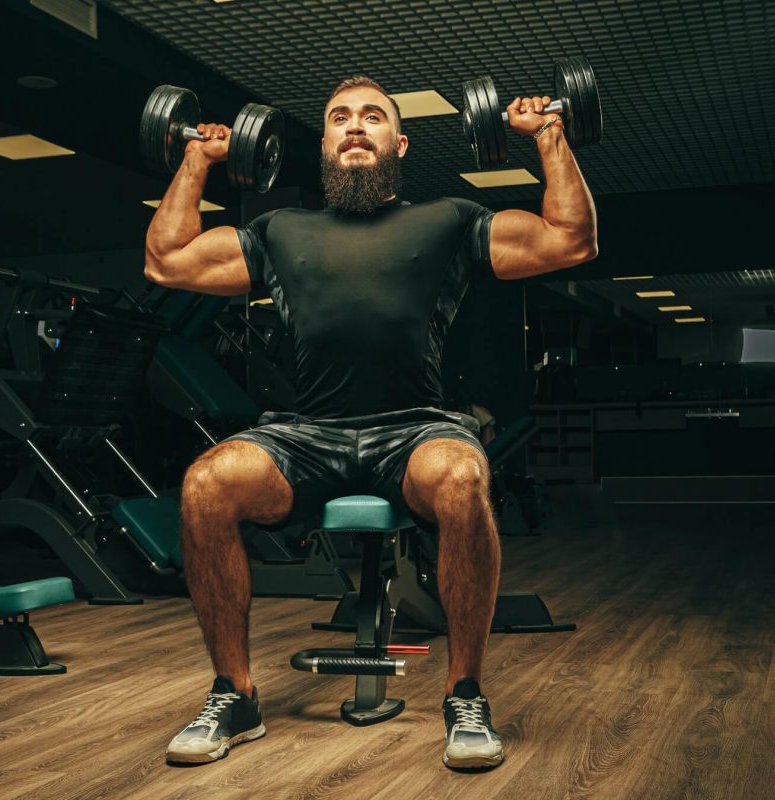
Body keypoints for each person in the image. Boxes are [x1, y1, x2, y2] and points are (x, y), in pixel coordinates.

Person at [144, 75, 597, 771]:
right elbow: (168, 260)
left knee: (462, 474)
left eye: (373, 117)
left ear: (400, 141)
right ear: (322, 142)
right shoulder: (278, 231)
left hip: (414, 429)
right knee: (207, 484)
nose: (356, 126)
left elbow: (569, 240)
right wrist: (195, 161)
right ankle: (234, 694)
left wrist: (549, 136)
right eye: (339, 118)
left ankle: (465, 693)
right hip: (309, 435)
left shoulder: (449, 219)